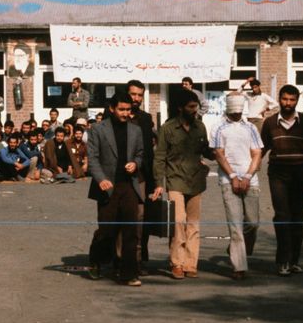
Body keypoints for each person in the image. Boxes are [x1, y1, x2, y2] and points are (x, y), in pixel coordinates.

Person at [152, 89, 215, 280]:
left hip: (195, 181)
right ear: (180, 108)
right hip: (175, 180)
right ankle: (177, 263)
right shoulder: (168, 128)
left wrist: (219, 151)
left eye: (196, 106)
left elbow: (205, 150)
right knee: (178, 222)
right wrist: (158, 183)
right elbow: (160, 156)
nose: (195, 110)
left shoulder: (200, 127)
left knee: (193, 225)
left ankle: (190, 263)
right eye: (191, 107)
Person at [260, 85, 303, 276]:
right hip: (278, 173)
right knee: (282, 216)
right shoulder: (270, 123)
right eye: (285, 99)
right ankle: (282, 261)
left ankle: (294, 260)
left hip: (301, 172)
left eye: (291, 100)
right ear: (279, 99)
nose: (288, 103)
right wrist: (247, 170)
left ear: (297, 101)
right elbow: (261, 149)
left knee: (297, 218)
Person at [86, 93, 144, 286]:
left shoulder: (135, 130)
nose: (126, 113)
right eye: (122, 109)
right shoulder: (98, 129)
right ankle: (95, 260)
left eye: (128, 110)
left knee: (131, 230)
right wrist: (101, 179)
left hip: (128, 185)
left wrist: (135, 164)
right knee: (107, 230)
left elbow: (140, 153)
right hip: (107, 187)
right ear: (112, 108)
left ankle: (129, 273)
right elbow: (92, 158)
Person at [210, 93, 264, 280]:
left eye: (239, 111)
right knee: (235, 227)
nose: (236, 115)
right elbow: (219, 153)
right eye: (233, 112)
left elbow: (257, 153)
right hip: (228, 180)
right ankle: (239, 267)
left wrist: (248, 175)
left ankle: (238, 248)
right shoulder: (218, 128)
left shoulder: (251, 128)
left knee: (253, 222)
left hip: (251, 179)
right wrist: (232, 176)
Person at [125, 80, 156, 273]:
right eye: (133, 94)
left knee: (141, 217)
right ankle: (119, 258)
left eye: (139, 95)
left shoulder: (146, 118)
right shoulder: (116, 115)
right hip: (120, 175)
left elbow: (150, 151)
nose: (136, 98)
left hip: (142, 175)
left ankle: (137, 260)